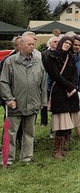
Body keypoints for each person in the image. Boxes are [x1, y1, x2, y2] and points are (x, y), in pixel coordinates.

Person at [0, 35, 47, 165]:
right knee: (11, 133)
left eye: (33, 44)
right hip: (15, 103)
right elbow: (3, 82)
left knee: (29, 133)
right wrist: (9, 99)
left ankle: (27, 157)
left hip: (33, 102)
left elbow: (43, 83)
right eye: (29, 44)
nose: (32, 47)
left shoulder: (38, 61)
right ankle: (7, 159)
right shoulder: (10, 61)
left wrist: (43, 101)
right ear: (20, 45)